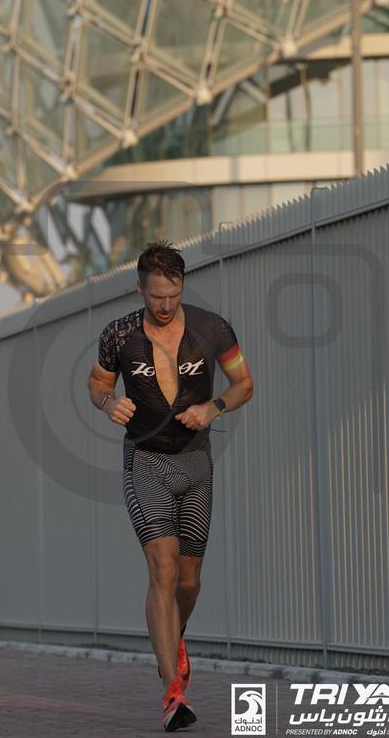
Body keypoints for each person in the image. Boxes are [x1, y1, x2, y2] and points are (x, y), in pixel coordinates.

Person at [88, 240, 253, 732]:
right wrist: (108, 403)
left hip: (196, 464)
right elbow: (97, 383)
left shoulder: (212, 328)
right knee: (161, 569)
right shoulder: (119, 334)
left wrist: (213, 408)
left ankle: (172, 640)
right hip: (146, 463)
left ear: (182, 287)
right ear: (140, 288)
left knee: (187, 581)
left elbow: (244, 384)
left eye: (173, 295)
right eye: (156, 296)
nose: (165, 305)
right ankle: (171, 690)